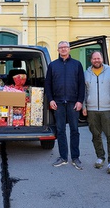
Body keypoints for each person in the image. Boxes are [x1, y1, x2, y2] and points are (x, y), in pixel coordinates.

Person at [45, 41, 85, 169]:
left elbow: (81, 84)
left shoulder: (77, 65)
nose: (63, 49)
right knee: (61, 130)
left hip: (73, 103)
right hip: (58, 103)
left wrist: (80, 101)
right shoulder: (52, 65)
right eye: (61, 48)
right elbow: (48, 85)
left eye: (65, 47)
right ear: (58, 50)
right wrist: (51, 100)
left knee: (74, 130)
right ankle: (63, 157)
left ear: (69, 49)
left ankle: (75, 157)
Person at [82, 51, 110, 174]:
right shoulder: (86, 73)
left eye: (98, 58)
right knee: (95, 135)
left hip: (108, 109)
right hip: (92, 110)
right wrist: (84, 106)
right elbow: (84, 91)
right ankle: (100, 157)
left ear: (102, 59)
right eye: (94, 58)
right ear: (91, 60)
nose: (96, 60)